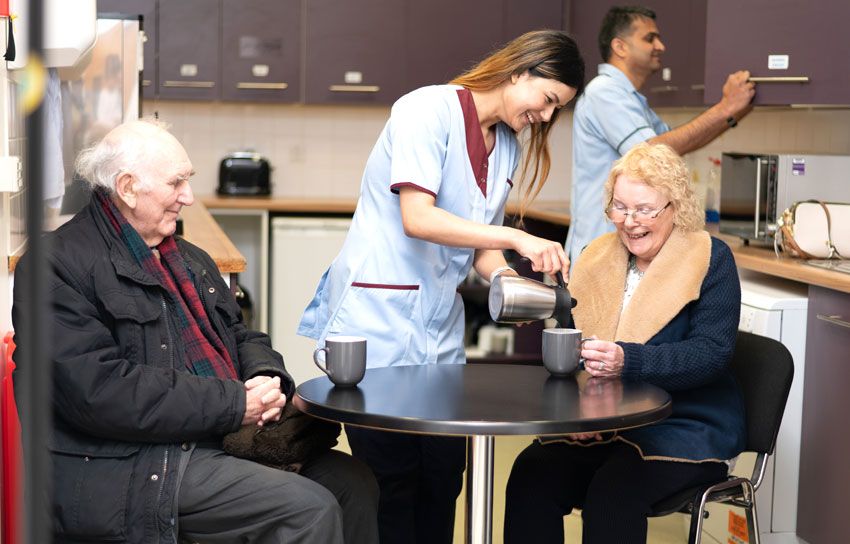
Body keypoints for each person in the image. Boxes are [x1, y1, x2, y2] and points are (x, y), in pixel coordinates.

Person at [12, 120, 379, 544]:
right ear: (128, 187)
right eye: (176, 183)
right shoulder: (56, 265)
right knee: (305, 509)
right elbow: (100, 393)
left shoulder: (188, 258)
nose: (188, 196)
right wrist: (234, 404)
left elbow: (242, 336)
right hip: (127, 463)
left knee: (354, 483)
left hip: (209, 438)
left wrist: (266, 377)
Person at [298, 30, 585, 544]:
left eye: (556, 110)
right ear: (520, 70)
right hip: (378, 321)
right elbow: (418, 217)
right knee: (391, 479)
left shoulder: (507, 148)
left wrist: (505, 277)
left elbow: (483, 251)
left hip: (438, 330)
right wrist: (518, 235)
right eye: (547, 101)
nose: (545, 117)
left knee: (443, 475)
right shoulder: (426, 110)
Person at [504, 142, 744, 543]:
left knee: (613, 493)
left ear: (675, 206)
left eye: (645, 209)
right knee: (532, 471)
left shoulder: (709, 258)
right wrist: (576, 416)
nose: (630, 222)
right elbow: (572, 350)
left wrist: (628, 361)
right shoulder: (596, 257)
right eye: (620, 207)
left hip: (682, 424)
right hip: (605, 423)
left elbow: (711, 354)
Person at [566, 5, 756, 264]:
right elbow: (652, 150)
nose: (660, 46)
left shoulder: (631, 100)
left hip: (622, 245)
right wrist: (725, 108)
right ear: (620, 47)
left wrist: (732, 114)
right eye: (649, 38)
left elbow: (678, 144)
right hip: (603, 251)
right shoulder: (605, 92)